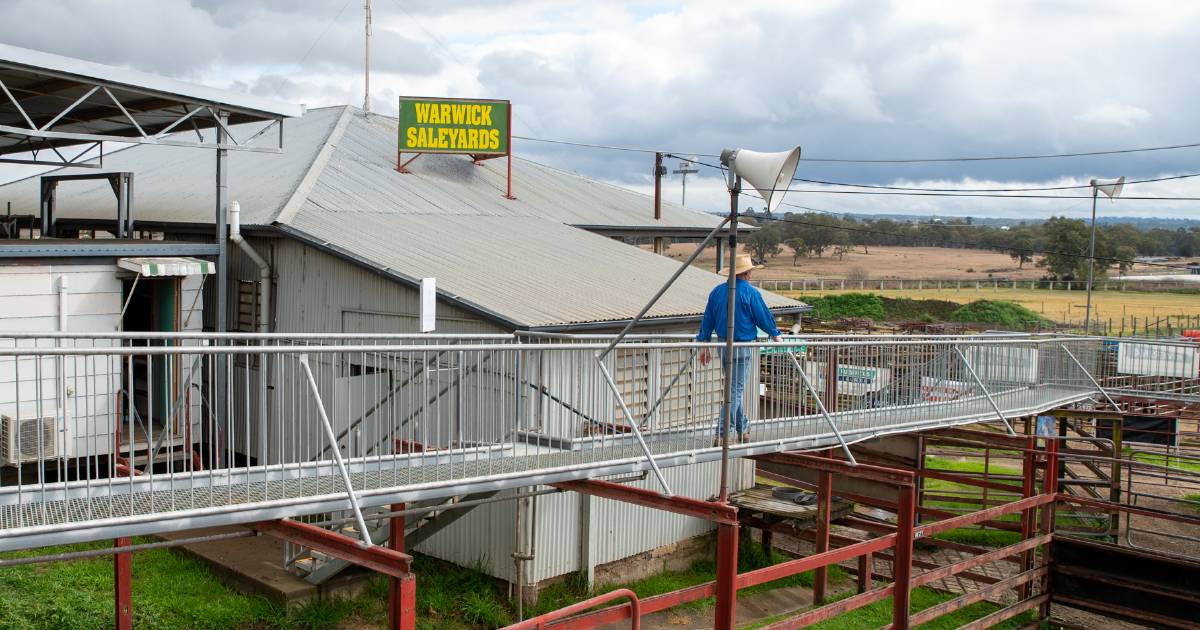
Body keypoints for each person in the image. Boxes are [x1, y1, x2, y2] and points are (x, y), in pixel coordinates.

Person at [696, 252, 782, 444]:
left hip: (723, 345)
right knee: (735, 390)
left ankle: (743, 429)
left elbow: (707, 320)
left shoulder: (717, 292)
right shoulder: (750, 292)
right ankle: (722, 432)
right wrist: (775, 333)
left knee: (734, 389)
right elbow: (762, 317)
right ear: (746, 273)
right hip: (742, 346)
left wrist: (704, 343)